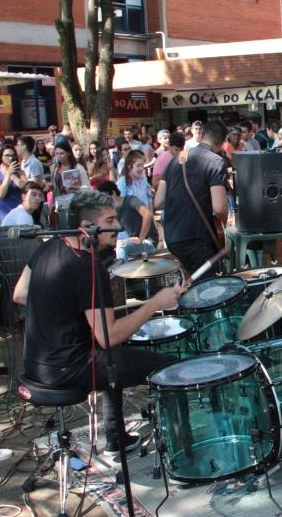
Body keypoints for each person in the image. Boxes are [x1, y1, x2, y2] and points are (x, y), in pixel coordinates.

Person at [13, 189, 186, 453]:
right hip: (67, 368)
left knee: (111, 358)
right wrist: (156, 303)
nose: (117, 226)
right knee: (171, 368)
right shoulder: (88, 267)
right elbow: (110, 336)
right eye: (109, 221)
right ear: (86, 227)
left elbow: (20, 294)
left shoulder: (48, 247)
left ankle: (116, 436)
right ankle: (184, 448)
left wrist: (66, 313)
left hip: (35, 363)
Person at [156, 126, 229, 277]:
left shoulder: (176, 159)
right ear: (222, 144)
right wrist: (226, 224)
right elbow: (219, 208)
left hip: (173, 237)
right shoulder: (216, 161)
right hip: (197, 238)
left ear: (202, 137)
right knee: (209, 290)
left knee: (194, 284)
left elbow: (158, 202)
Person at [99, 180, 158, 260]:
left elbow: (147, 214)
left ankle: (120, 271)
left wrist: (140, 239)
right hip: (135, 243)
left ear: (113, 193)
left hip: (149, 241)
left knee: (121, 246)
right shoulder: (115, 210)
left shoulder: (131, 200)